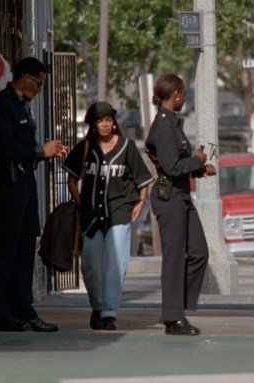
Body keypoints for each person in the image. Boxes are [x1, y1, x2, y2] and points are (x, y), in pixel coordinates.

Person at [0, 56, 66, 332]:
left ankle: (23, 307)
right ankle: (0, 312)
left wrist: (41, 152)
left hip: (25, 183)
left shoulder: (22, 107)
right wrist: (40, 151)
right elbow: (5, 147)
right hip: (9, 182)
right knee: (5, 249)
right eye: (39, 83)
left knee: (25, 247)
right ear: (26, 78)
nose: (40, 89)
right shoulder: (1, 106)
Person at [63, 102, 153, 330]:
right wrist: (79, 201)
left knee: (115, 265)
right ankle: (98, 306)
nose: (104, 124)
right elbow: (71, 177)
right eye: (99, 121)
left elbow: (143, 179)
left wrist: (141, 202)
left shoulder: (127, 147)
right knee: (90, 265)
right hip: (91, 217)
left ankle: (110, 313)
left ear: (113, 122)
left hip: (119, 213)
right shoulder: (85, 147)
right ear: (93, 125)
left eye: (108, 120)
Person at [145, 73, 216, 336]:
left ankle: (176, 307)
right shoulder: (164, 126)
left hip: (181, 193)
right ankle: (173, 317)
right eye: (183, 94)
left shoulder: (173, 124)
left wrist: (199, 169)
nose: (184, 98)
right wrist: (197, 160)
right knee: (174, 258)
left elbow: (178, 163)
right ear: (175, 94)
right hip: (169, 196)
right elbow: (173, 165)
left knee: (199, 252)